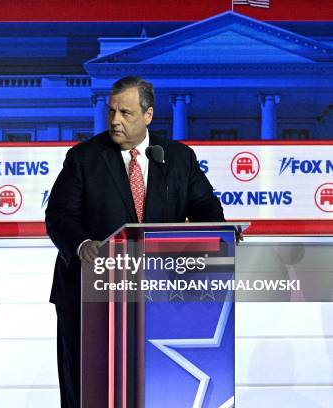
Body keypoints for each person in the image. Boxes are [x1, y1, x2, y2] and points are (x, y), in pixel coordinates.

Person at [45, 76, 224, 407]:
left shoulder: (177, 158)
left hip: (156, 295)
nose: (115, 120)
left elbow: (205, 207)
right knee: (86, 391)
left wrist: (218, 233)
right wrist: (83, 245)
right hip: (90, 295)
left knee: (152, 386)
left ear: (148, 115)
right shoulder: (84, 158)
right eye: (112, 111)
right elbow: (59, 216)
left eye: (125, 113)